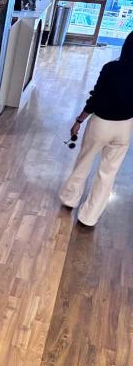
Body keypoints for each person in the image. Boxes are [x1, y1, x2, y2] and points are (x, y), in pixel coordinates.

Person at [60, 31, 133, 226]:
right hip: (125, 126)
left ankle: (70, 198)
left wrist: (79, 120)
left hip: (101, 123)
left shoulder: (111, 69)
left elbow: (96, 98)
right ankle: (89, 217)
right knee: (108, 174)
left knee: (84, 162)